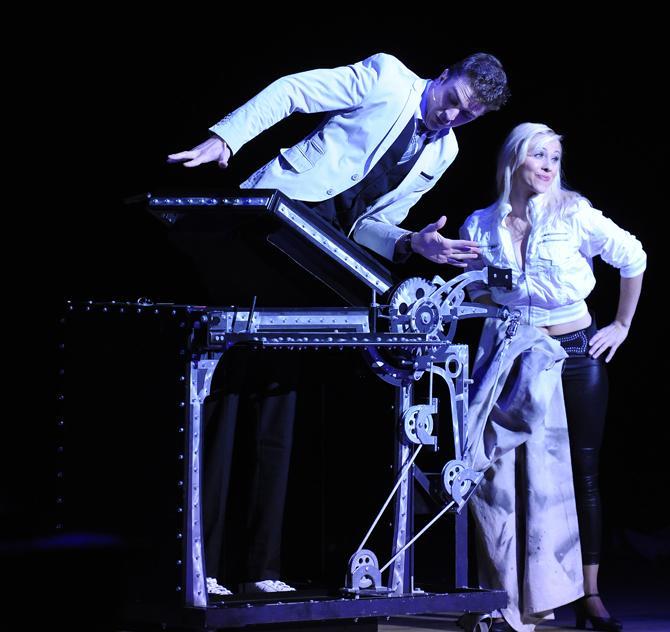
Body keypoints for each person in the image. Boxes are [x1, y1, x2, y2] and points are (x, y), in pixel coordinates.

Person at [168, 51, 510, 596]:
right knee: (232, 387)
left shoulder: (443, 151)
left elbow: (374, 224)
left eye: (466, 117)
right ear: (443, 74)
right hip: (277, 217)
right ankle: (200, 559)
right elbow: (292, 90)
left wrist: (409, 242)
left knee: (285, 393)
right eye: (452, 102)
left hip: (327, 256)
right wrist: (227, 138)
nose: (450, 118)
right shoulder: (386, 76)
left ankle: (258, 567)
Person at [460, 122, 646, 631]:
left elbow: (634, 257)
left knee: (579, 477)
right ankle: (511, 595)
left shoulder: (574, 214)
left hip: (574, 357)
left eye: (555, 158)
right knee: (506, 477)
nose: (547, 166)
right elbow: (475, 293)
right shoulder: (479, 224)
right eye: (538, 155)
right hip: (515, 360)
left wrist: (621, 326)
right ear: (514, 160)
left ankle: (589, 594)